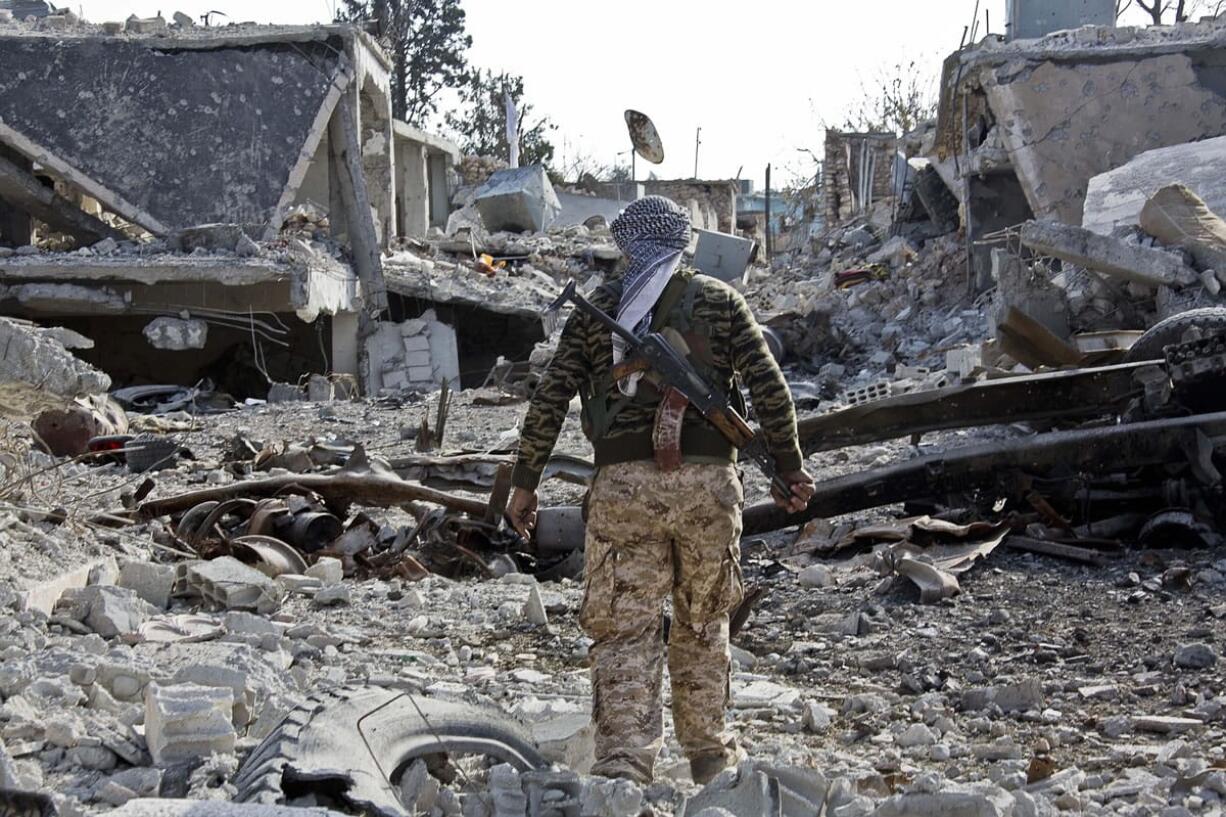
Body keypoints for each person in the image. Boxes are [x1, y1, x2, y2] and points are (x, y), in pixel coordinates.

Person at [507, 195, 814, 785]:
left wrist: (525, 482)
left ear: (628, 247)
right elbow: (770, 388)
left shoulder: (603, 308)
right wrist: (790, 468)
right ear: (685, 243)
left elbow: (551, 394)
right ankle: (711, 758)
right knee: (704, 619)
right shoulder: (723, 303)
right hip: (708, 490)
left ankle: (624, 763)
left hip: (622, 490)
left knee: (625, 627)